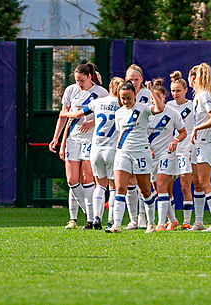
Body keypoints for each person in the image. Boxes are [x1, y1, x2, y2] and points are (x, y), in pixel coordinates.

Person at [50, 63, 109, 230]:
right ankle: (86, 211)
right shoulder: (71, 90)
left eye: (82, 80)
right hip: (73, 138)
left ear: (90, 77)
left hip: (90, 140)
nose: (79, 84)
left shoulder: (101, 93)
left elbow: (107, 116)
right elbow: (63, 116)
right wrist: (57, 138)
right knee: (71, 180)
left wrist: (92, 122)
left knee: (88, 178)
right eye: (77, 80)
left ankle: (91, 220)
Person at [61, 77, 123, 229]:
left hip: (96, 150)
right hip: (112, 150)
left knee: (99, 186)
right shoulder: (123, 107)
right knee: (113, 187)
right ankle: (111, 221)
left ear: (109, 87)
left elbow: (77, 115)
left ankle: (95, 218)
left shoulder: (98, 102)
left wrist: (64, 114)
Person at [105, 81, 164, 233]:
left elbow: (160, 108)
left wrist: (151, 90)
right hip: (123, 153)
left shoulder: (143, 109)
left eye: (129, 98)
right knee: (120, 188)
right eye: (123, 98)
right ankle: (116, 225)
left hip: (141, 153)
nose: (126, 101)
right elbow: (120, 134)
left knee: (145, 191)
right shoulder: (119, 113)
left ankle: (151, 223)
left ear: (135, 95)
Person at [146, 79, 187, 231]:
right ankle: (173, 220)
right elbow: (140, 134)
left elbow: (183, 132)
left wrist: (176, 140)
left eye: (157, 96)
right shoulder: (146, 113)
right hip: (151, 156)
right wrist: (145, 148)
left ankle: (161, 224)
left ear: (164, 97)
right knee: (157, 189)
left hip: (167, 155)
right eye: (152, 97)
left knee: (162, 185)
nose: (154, 99)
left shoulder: (172, 113)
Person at [188, 63, 211, 231]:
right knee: (197, 182)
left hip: (207, 143)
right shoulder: (199, 96)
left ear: (193, 78)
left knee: (204, 181)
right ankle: (199, 221)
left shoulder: (204, 95)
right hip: (199, 143)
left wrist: (197, 128)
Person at [165, 71, 195, 230]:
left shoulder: (192, 105)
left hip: (186, 149)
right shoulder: (168, 106)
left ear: (185, 90)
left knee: (185, 186)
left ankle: (187, 221)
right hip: (170, 150)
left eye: (178, 90)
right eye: (173, 90)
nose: (175, 93)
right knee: (166, 188)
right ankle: (171, 219)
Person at [123, 64, 151, 230]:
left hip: (147, 142)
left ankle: (144, 218)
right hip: (129, 142)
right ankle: (133, 219)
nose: (133, 82)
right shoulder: (124, 95)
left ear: (141, 79)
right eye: (130, 79)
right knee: (130, 180)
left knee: (144, 182)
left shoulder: (148, 95)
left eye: (135, 79)